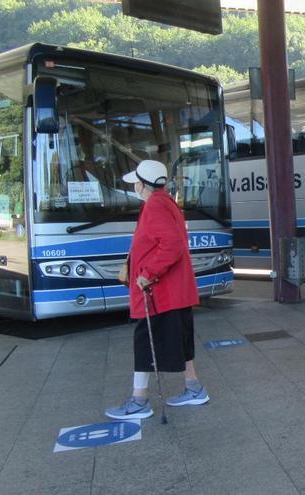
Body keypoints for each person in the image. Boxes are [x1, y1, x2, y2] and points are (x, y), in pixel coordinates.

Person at [105, 159, 209, 420]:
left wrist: (146, 274)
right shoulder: (166, 202)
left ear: (142, 184)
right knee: (181, 339)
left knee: (144, 342)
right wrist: (131, 265)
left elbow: (171, 245)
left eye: (136, 183)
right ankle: (194, 388)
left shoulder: (154, 206)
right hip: (175, 290)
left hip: (159, 292)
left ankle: (139, 400)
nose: (135, 187)